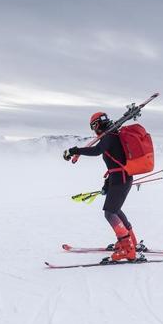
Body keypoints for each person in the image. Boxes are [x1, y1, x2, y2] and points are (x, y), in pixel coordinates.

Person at [64, 112, 139, 262]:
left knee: (110, 213)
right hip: (119, 178)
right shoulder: (113, 136)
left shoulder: (109, 136)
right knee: (115, 210)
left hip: (121, 179)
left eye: (93, 126)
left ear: (97, 124)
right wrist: (107, 184)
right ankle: (131, 241)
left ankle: (128, 249)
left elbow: (97, 151)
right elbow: (115, 162)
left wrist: (75, 150)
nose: (93, 129)